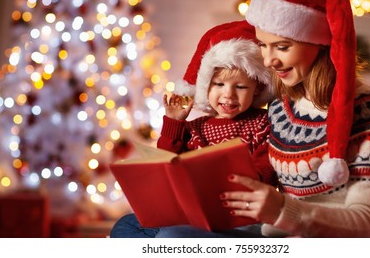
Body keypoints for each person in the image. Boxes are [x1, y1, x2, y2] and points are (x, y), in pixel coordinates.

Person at [155, 0, 370, 238]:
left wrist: (283, 210)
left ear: (320, 44)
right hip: (269, 228)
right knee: (129, 226)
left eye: (282, 47)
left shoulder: (368, 111)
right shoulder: (283, 104)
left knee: (172, 237)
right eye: (263, 45)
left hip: (306, 237)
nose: (269, 60)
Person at [110, 20, 277, 238]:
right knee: (125, 226)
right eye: (219, 84)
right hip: (192, 218)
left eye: (241, 87)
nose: (228, 95)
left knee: (170, 237)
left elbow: (268, 168)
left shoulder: (262, 123)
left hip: (241, 220)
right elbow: (166, 164)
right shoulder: (196, 128)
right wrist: (174, 122)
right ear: (206, 85)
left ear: (257, 90)